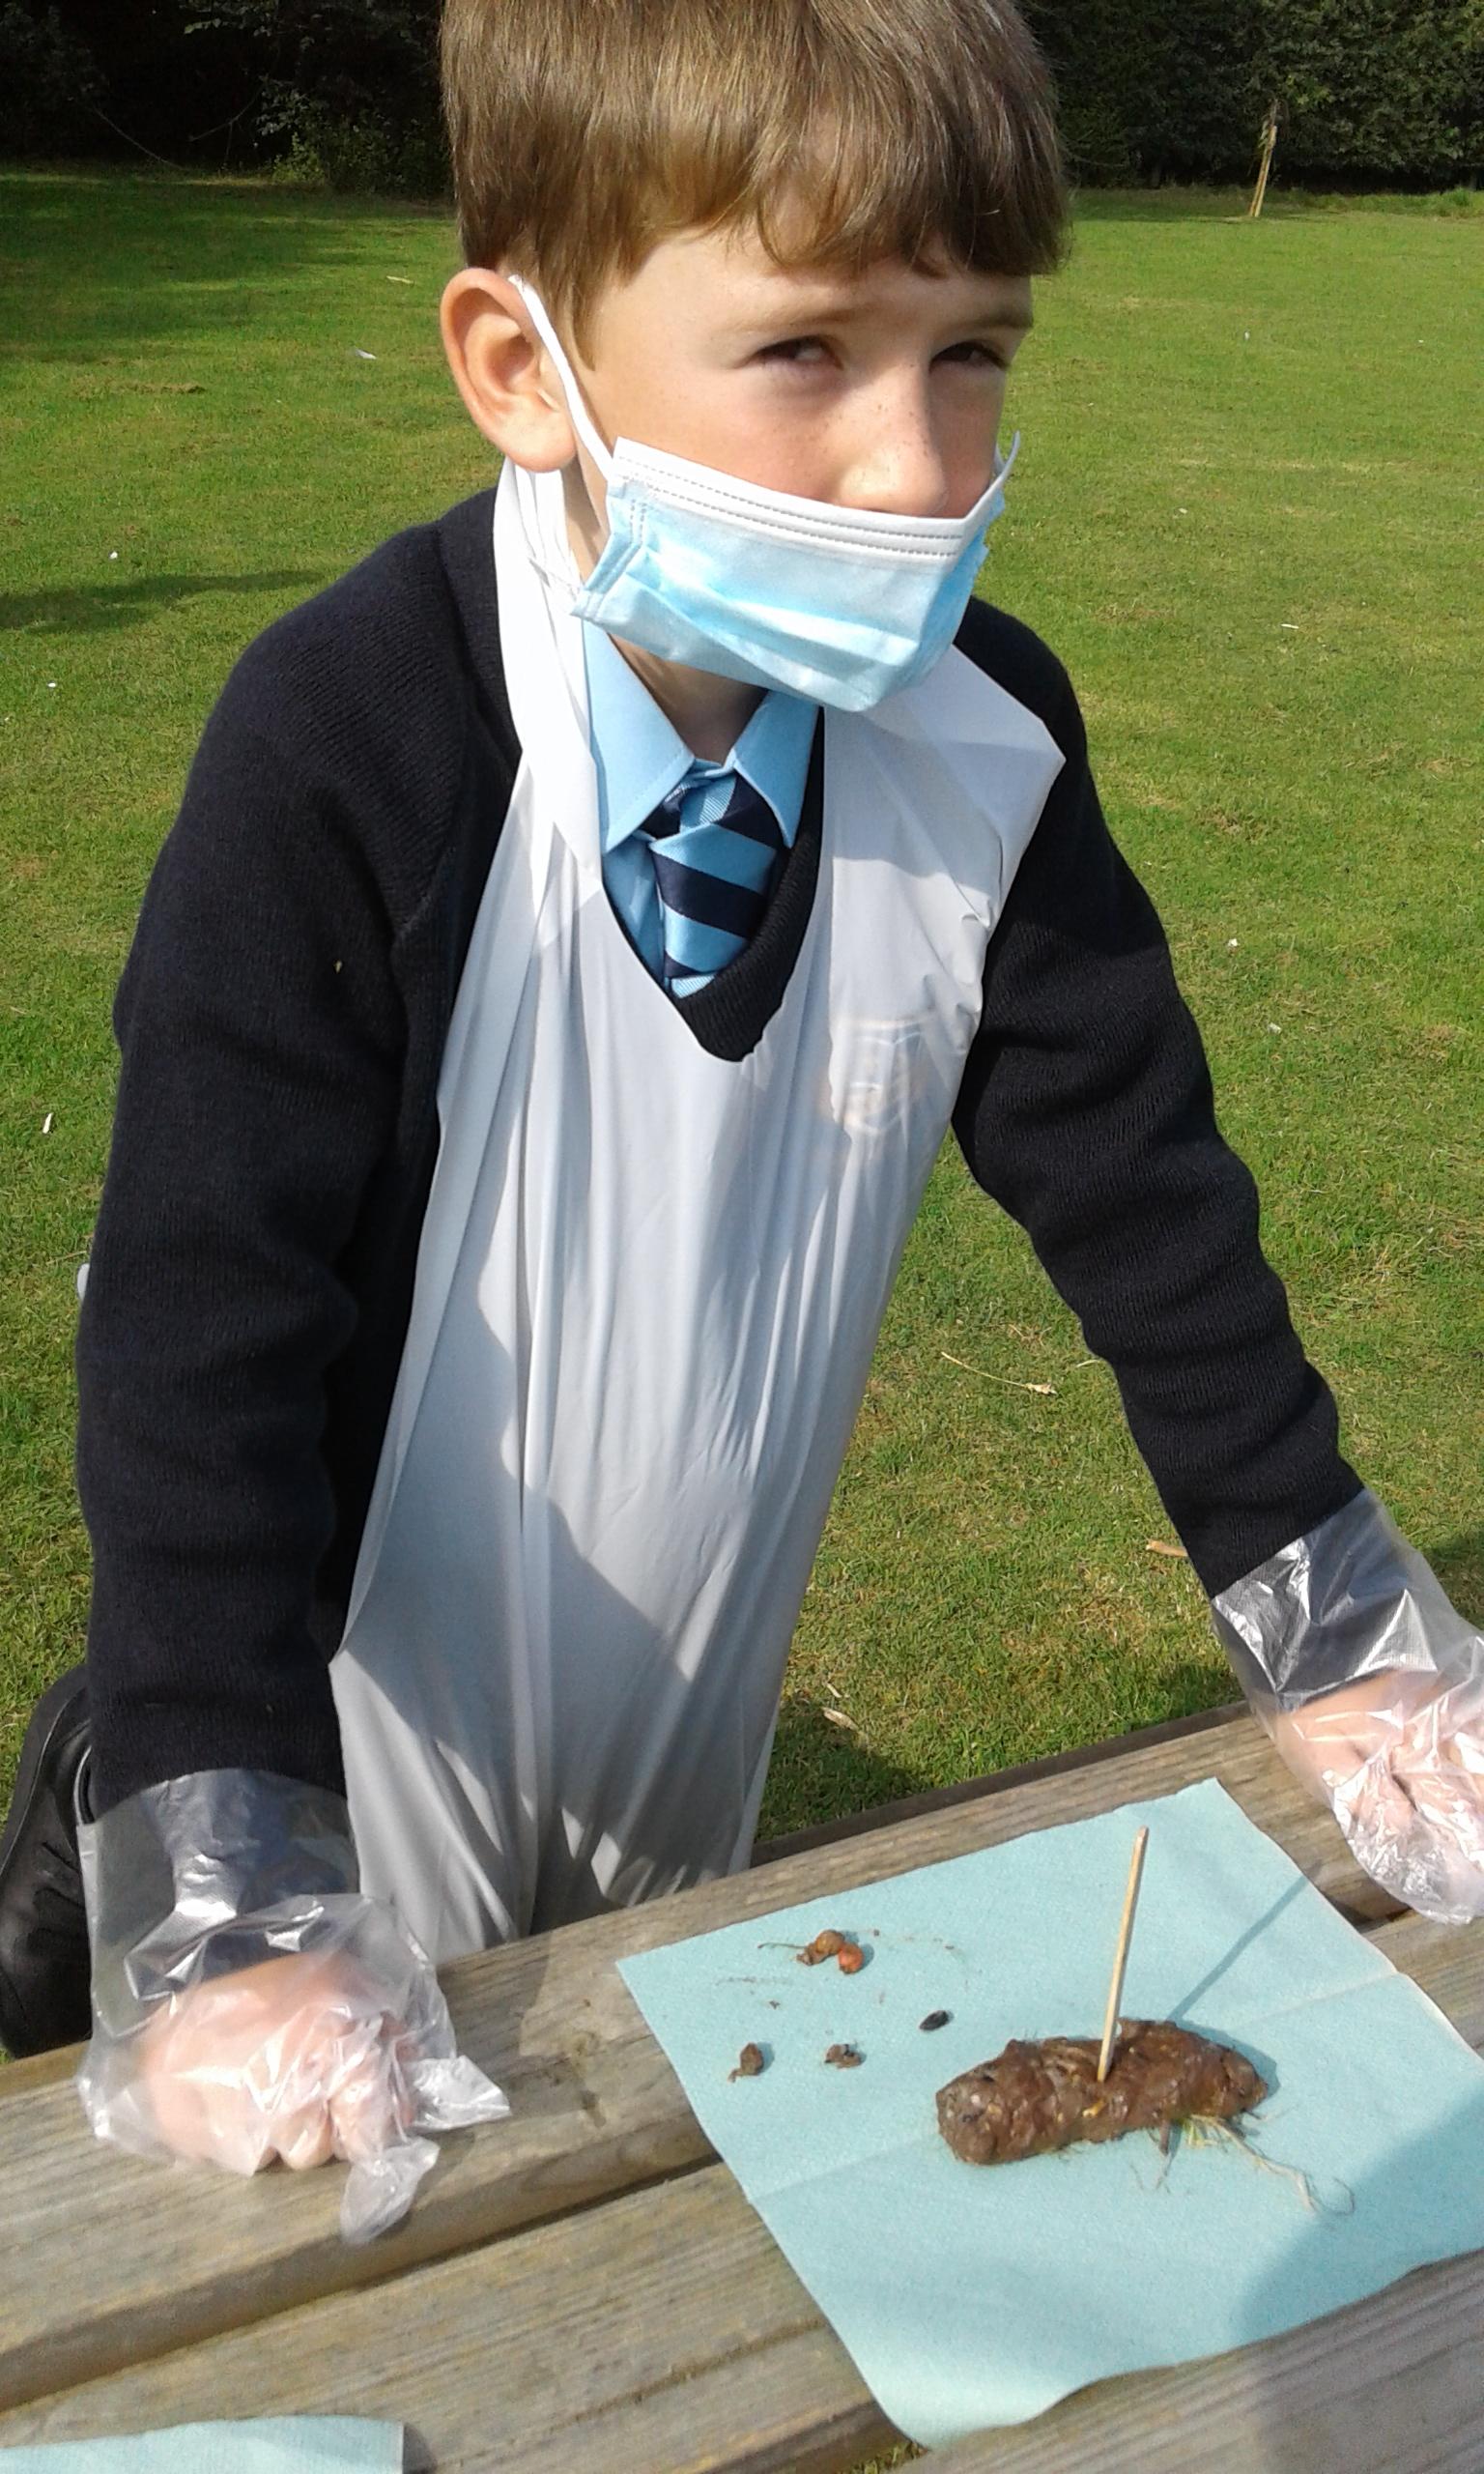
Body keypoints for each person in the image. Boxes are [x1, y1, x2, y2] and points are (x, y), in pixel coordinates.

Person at [2, 0, 1481, 2204]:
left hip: (690, 1729)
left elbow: (1149, 1202)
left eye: (972, 352)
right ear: (524, 368)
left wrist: (1346, 1639)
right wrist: (238, 1892)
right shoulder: (346, 743)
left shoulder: (983, 745)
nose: (920, 465)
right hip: (331, 1739)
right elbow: (197, 1334)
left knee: (649, 2202)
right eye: (806, 352)